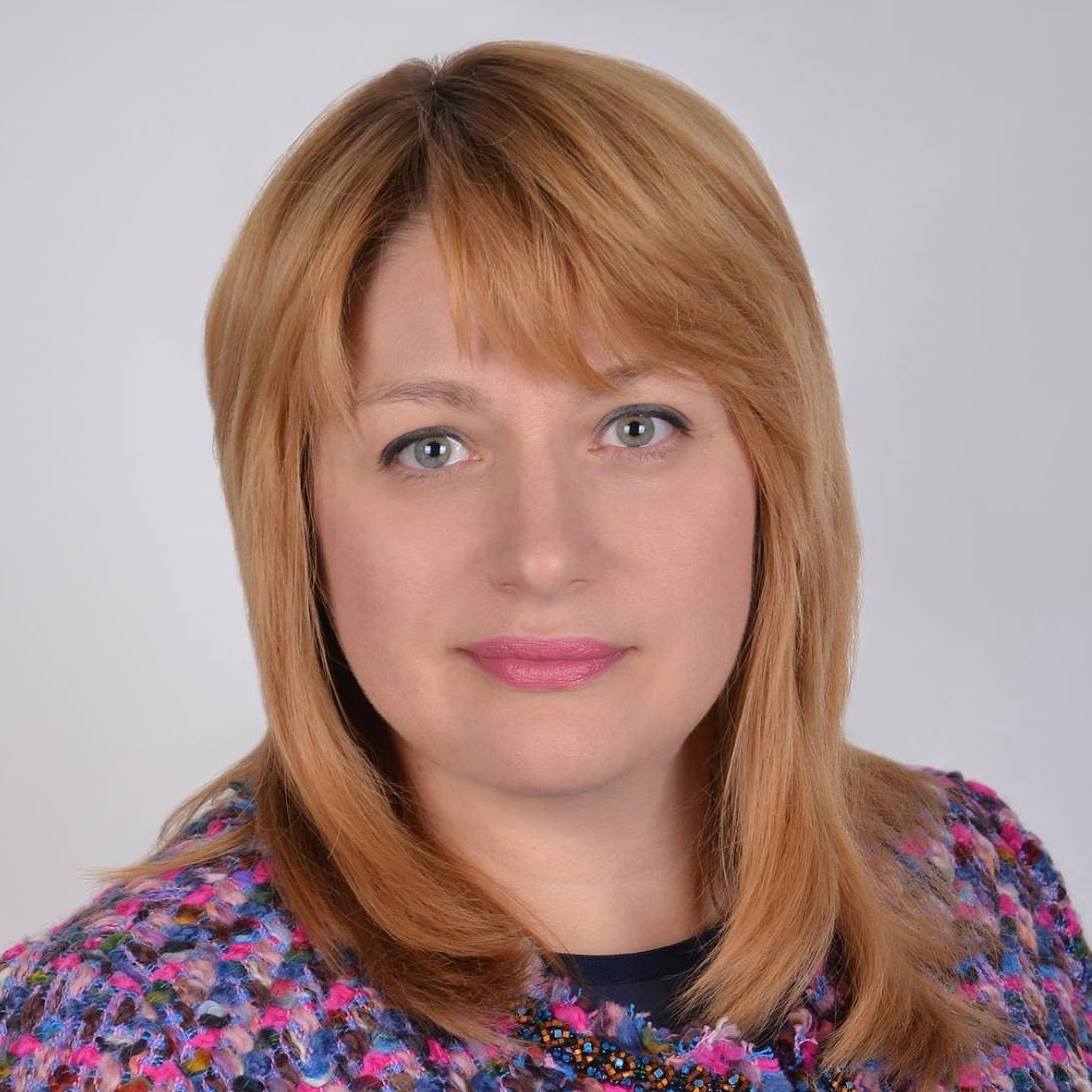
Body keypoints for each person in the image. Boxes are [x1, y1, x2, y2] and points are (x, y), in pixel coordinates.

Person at [1, 38, 1088, 1092]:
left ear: (776, 473)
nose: (543, 554)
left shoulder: (974, 888)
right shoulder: (122, 1036)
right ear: (297, 515)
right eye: (432, 447)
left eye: (636, 427)